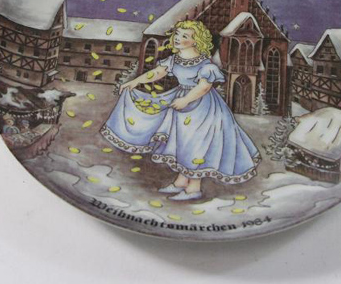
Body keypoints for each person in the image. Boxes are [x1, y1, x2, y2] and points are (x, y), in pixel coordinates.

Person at [101, 20, 260, 201]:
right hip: (180, 103)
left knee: (196, 145)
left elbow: (204, 87)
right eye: (177, 34)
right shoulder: (174, 60)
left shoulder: (206, 65)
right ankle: (181, 182)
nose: (177, 38)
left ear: (196, 40)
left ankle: (194, 188)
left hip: (203, 109)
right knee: (182, 143)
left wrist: (186, 99)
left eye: (184, 36)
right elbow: (157, 73)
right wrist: (135, 82)